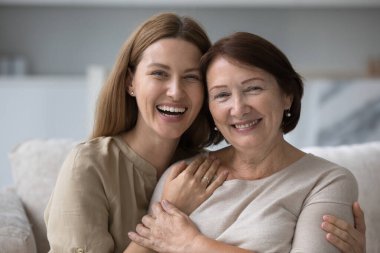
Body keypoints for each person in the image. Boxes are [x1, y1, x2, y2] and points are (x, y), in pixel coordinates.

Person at [127, 31, 367, 253]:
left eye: (253, 88)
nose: (239, 108)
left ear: (287, 95)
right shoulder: (182, 178)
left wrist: (192, 244)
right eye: (222, 95)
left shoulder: (327, 181)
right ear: (210, 109)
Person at [44, 12, 228, 253]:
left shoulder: (207, 169)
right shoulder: (89, 165)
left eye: (191, 77)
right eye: (159, 73)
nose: (175, 91)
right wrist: (170, 209)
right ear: (131, 82)